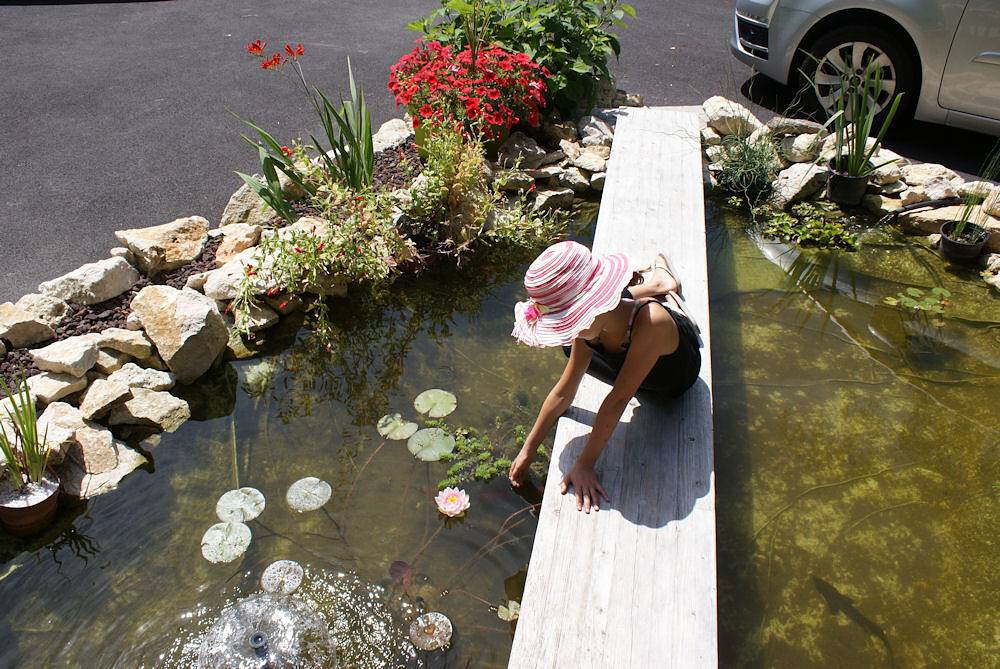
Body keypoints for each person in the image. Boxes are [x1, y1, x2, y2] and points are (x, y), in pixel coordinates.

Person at [507, 240, 702, 513]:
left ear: (590, 310)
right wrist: (528, 449)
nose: (568, 331)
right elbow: (564, 391)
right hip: (614, 324)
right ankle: (658, 283)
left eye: (569, 322)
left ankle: (658, 285)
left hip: (670, 378)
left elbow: (618, 399)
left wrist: (585, 464)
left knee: (616, 317)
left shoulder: (652, 324)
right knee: (575, 344)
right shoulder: (586, 329)